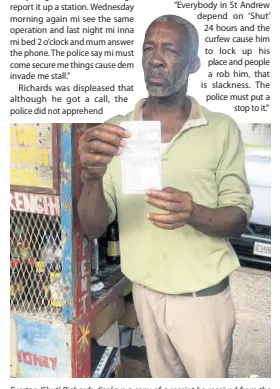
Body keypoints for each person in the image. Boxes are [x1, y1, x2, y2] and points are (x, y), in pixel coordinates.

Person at [78, 15, 253, 378]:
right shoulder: (118, 131)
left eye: (169, 49)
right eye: (148, 48)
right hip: (144, 295)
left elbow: (238, 218)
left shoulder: (221, 129)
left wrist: (194, 212)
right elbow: (94, 226)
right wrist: (91, 178)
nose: (155, 58)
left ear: (192, 64)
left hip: (202, 301)